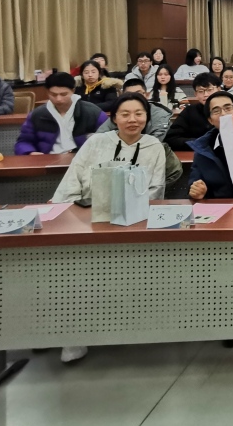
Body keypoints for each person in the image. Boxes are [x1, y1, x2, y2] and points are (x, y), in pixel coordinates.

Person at [51, 92, 167, 365]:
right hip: (88, 218)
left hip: (135, 222)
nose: (132, 119)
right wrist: (67, 211)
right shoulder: (96, 142)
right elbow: (71, 182)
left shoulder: (154, 146)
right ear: (114, 118)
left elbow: (155, 191)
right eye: (125, 114)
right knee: (74, 273)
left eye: (139, 113)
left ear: (147, 117)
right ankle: (73, 336)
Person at [14, 72, 107, 155]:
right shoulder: (37, 115)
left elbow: (109, 138)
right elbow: (23, 142)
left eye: (63, 94)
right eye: (53, 95)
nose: (58, 99)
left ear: (73, 91)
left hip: (82, 159)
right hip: (48, 159)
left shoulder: (92, 112)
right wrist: (30, 152)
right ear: (47, 92)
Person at [188, 91, 233, 201]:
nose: (223, 114)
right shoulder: (203, 149)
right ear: (210, 120)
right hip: (222, 207)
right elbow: (195, 183)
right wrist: (198, 192)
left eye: (228, 108)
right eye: (216, 111)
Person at [100, 77, 172, 140]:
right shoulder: (120, 113)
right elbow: (100, 135)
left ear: (146, 95)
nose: (134, 98)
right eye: (128, 94)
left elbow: (156, 141)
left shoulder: (160, 114)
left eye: (138, 94)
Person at [165, 73, 222, 151]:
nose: (205, 94)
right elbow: (171, 139)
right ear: (196, 94)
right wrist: (200, 143)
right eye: (201, 91)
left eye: (209, 90)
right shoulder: (189, 112)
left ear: (219, 89)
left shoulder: (228, 110)